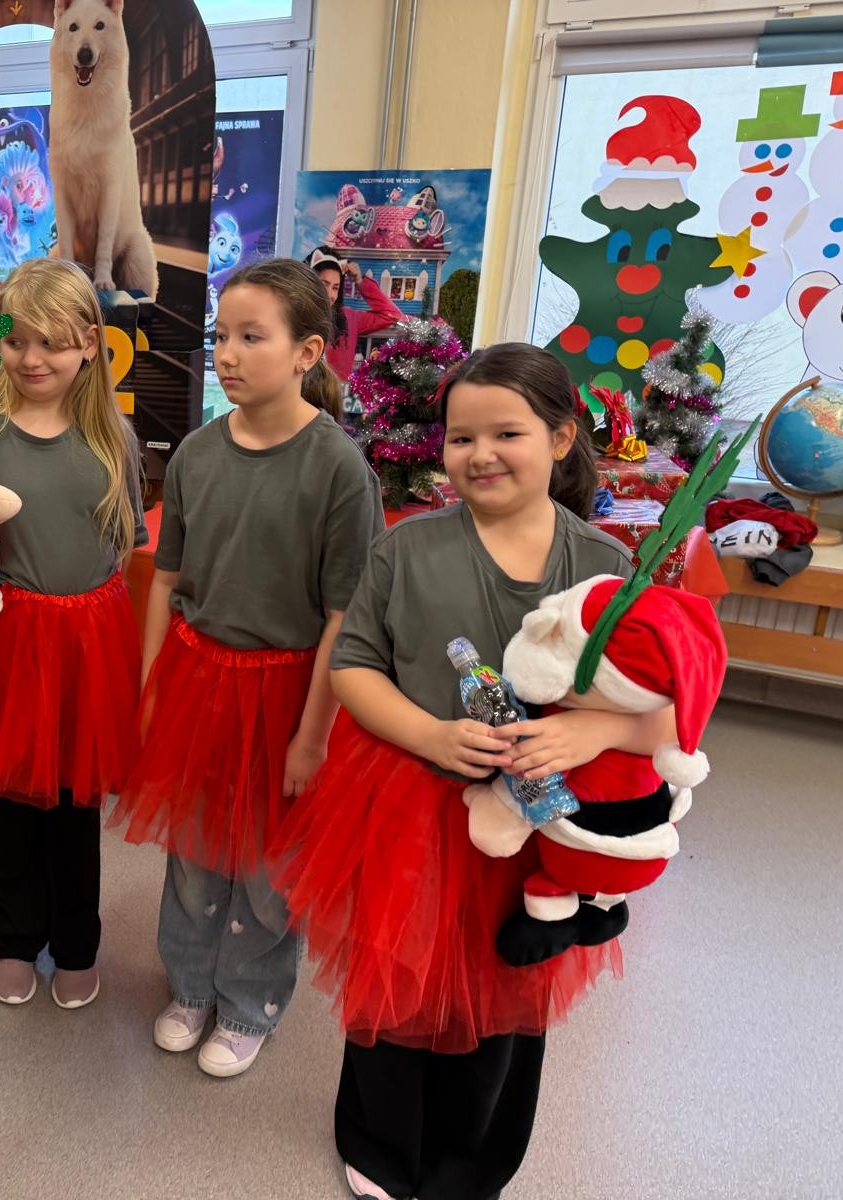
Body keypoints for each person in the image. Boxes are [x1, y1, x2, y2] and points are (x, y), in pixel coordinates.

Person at [271, 343, 678, 1200]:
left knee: (507, 988)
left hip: (540, 823)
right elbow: (354, 665)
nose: (480, 454)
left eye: (507, 434)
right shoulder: (406, 549)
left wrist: (592, 732)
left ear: (561, 438)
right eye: (461, 437)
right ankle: (381, 1144)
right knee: (396, 978)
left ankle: (475, 1156)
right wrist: (429, 734)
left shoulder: (605, 566)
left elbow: (668, 712)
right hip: (407, 802)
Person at [109, 258, 382, 1077]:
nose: (226, 354)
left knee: (268, 865)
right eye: (219, 335)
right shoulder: (196, 454)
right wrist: (151, 687)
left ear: (307, 353)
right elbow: (167, 582)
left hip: (288, 691)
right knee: (195, 849)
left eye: (251, 337)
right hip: (198, 679)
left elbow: (343, 618)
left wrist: (312, 736)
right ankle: (191, 985)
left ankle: (250, 1002)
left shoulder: (339, 469)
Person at [0, 257, 145, 1009]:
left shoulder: (114, 439)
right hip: (10, 639)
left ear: (88, 345)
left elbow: (123, 546)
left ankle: (76, 942)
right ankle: (13, 937)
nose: (32, 358)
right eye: (16, 342)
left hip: (91, 643)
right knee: (14, 801)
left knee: (77, 805)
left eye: (51, 342)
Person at [306, 246, 403, 378]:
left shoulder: (348, 318)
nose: (329, 294)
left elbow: (391, 315)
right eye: (324, 284)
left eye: (335, 288)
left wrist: (360, 281)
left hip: (337, 389)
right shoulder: (293, 315)